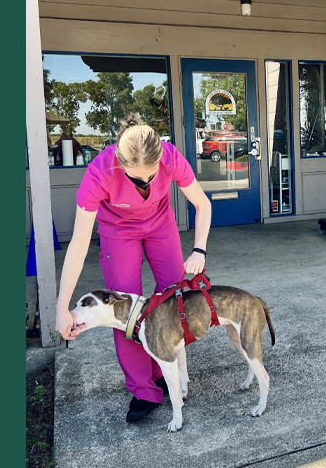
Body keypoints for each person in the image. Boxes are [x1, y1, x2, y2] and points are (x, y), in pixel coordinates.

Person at [55, 113, 212, 423]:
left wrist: (199, 249)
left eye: (151, 177)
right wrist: (62, 307)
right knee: (124, 310)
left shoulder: (170, 157)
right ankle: (144, 388)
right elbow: (78, 244)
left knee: (171, 300)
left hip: (160, 224)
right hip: (117, 231)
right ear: (119, 163)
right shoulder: (98, 173)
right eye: (136, 178)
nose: (146, 182)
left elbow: (202, 204)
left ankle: (163, 367)